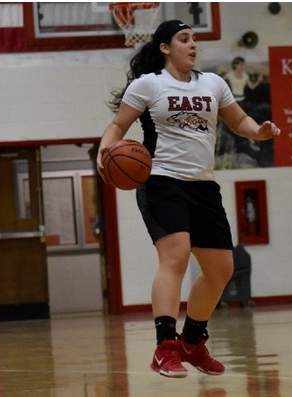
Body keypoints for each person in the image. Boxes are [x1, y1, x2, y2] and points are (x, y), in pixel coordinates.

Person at [97, 20, 280, 378]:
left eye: (195, 39)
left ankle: (192, 343)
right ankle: (165, 348)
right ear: (165, 47)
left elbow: (239, 120)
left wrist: (259, 131)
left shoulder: (214, 83)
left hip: (202, 185)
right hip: (162, 181)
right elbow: (118, 126)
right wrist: (104, 151)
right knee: (176, 256)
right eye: (184, 39)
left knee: (220, 270)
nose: (193, 45)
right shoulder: (149, 84)